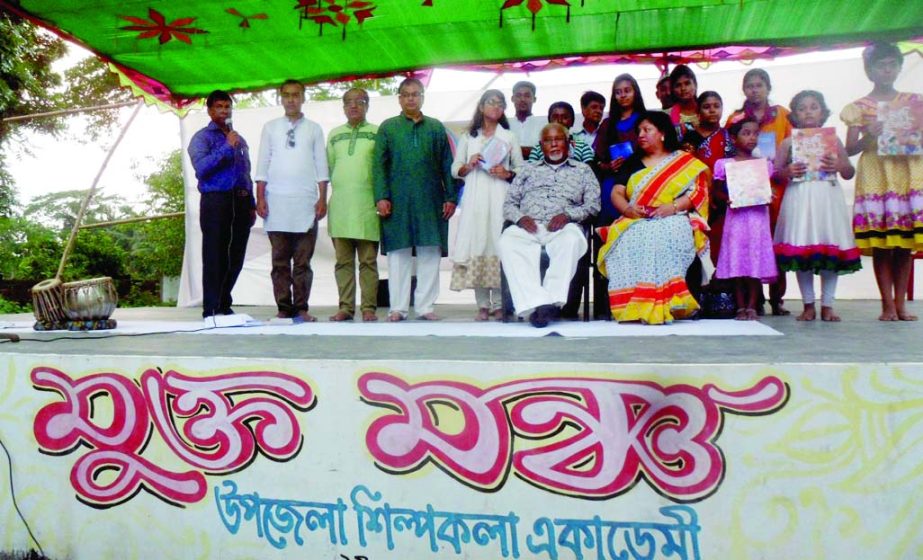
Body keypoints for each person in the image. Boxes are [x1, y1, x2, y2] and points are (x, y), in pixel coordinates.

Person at [598, 111, 712, 324]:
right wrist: (628, 211)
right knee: (633, 236)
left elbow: (697, 192)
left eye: (647, 130)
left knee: (664, 232)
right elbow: (617, 193)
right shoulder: (632, 162)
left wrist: (673, 206)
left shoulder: (683, 161)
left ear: (662, 134)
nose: (640, 135)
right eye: (639, 131)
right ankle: (636, 304)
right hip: (636, 217)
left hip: (674, 216)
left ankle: (670, 302)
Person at [841, 42, 923, 321]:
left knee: (903, 243)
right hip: (876, 174)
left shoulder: (914, 102)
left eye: (891, 64)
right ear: (870, 70)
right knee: (882, 244)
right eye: (881, 65)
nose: (887, 70)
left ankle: (901, 304)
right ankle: (886, 304)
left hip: (906, 174)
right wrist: (869, 135)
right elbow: (849, 149)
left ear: (899, 67)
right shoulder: (859, 107)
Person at [499, 123, 600, 328]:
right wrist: (519, 218)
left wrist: (568, 215)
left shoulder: (583, 171)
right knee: (507, 241)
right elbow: (509, 204)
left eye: (558, 139)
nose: (553, 144)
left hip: (564, 227)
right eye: (548, 140)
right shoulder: (528, 170)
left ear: (568, 143)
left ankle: (548, 303)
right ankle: (541, 302)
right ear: (541, 146)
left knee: (571, 241)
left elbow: (593, 205)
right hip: (529, 226)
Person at [374, 77, 457, 322]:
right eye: (406, 94)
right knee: (398, 253)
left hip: (430, 199)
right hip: (397, 200)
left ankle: (425, 307)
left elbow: (447, 164)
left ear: (422, 97)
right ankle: (397, 308)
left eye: (415, 94)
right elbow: (379, 166)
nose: (411, 98)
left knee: (429, 250)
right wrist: (381, 196)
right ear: (399, 98)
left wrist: (451, 196)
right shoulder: (388, 127)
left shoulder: (435, 127)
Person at [775, 90, 860, 322]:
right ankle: (808, 304)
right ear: (794, 115)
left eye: (813, 107)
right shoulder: (788, 142)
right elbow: (774, 174)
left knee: (829, 249)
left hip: (827, 199)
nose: (808, 112)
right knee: (802, 248)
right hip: (799, 198)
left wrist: (838, 164)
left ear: (823, 112)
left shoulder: (834, 140)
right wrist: (787, 171)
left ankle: (828, 304)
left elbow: (849, 172)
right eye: (802, 108)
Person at [254, 79, 329, 323]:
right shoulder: (270, 127)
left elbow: (321, 166)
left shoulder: (314, 129)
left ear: (303, 97)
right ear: (280, 98)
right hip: (276, 203)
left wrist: (322, 199)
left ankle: (302, 308)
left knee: (303, 262)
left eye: (295, 95)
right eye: (286, 95)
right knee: (279, 261)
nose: (291, 99)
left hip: (306, 203)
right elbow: (262, 165)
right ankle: (283, 308)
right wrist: (260, 198)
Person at [451, 90, 524, 321]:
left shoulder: (508, 137)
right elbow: (455, 169)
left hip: (499, 197)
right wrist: (469, 164)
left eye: (500, 104)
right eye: (491, 102)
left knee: (498, 242)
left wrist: (507, 172)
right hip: (474, 199)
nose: (496, 107)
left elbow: (521, 170)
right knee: (477, 243)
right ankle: (482, 304)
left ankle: (501, 303)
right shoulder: (469, 137)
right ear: (481, 107)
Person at [725, 68, 793, 315]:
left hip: (777, 188)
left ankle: (777, 299)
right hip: (744, 193)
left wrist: (781, 170)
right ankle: (754, 302)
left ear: (768, 87)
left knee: (775, 243)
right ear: (743, 89)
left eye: (759, 85)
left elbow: (794, 148)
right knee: (749, 245)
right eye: (750, 85)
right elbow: (728, 149)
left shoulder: (784, 115)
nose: (754, 90)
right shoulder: (734, 118)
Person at [187, 90, 255, 319]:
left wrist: (252, 202)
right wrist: (226, 146)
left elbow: (246, 171)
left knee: (236, 254)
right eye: (219, 106)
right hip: (216, 200)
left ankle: (224, 302)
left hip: (241, 200)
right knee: (215, 254)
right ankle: (211, 308)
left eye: (227, 106)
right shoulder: (202, 138)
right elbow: (201, 168)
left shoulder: (239, 138)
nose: (224, 110)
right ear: (209, 110)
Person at [713, 118, 778, 320]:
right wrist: (727, 198)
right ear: (733, 138)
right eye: (746, 133)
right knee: (737, 261)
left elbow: (767, 189)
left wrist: (769, 195)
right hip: (736, 219)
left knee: (754, 260)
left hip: (757, 219)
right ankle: (740, 305)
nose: (752, 138)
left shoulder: (764, 165)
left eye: (755, 133)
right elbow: (716, 192)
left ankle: (752, 305)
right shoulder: (725, 164)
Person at [327, 87, 380, 322]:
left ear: (367, 105)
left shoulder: (378, 133)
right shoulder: (334, 135)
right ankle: (345, 308)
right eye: (348, 102)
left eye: (359, 101)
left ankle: (369, 307)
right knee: (343, 261)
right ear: (343, 107)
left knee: (368, 261)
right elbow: (330, 168)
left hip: (367, 205)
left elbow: (382, 169)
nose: (354, 106)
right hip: (340, 206)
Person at [686, 91, 735, 263]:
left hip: (721, 196)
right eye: (707, 107)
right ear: (698, 111)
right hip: (694, 195)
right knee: (696, 237)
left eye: (716, 106)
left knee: (720, 239)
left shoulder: (728, 136)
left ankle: (721, 286)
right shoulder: (689, 136)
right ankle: (701, 286)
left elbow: (732, 167)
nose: (712, 110)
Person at [526, 101, 594, 163]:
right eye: (555, 117)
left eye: (565, 117)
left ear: (572, 122)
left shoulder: (582, 146)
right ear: (549, 121)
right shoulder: (538, 148)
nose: (559, 121)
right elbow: (530, 170)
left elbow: (590, 171)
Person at [509, 81, 544, 159]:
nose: (522, 99)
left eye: (527, 96)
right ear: (512, 99)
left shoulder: (543, 126)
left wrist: (513, 150)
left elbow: (545, 151)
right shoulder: (505, 125)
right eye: (518, 96)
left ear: (534, 99)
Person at [668, 65, 699, 140]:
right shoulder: (669, 115)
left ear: (695, 85)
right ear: (673, 90)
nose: (683, 88)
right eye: (678, 85)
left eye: (687, 83)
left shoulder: (706, 108)